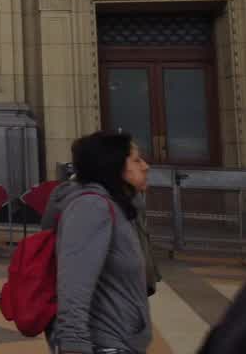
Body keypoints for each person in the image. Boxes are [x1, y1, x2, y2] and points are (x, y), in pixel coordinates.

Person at [44, 131, 152, 354]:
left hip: (119, 340)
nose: (145, 166)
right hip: (103, 344)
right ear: (113, 166)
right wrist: (74, 343)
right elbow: (74, 282)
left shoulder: (116, 206)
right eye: (136, 160)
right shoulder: (91, 208)